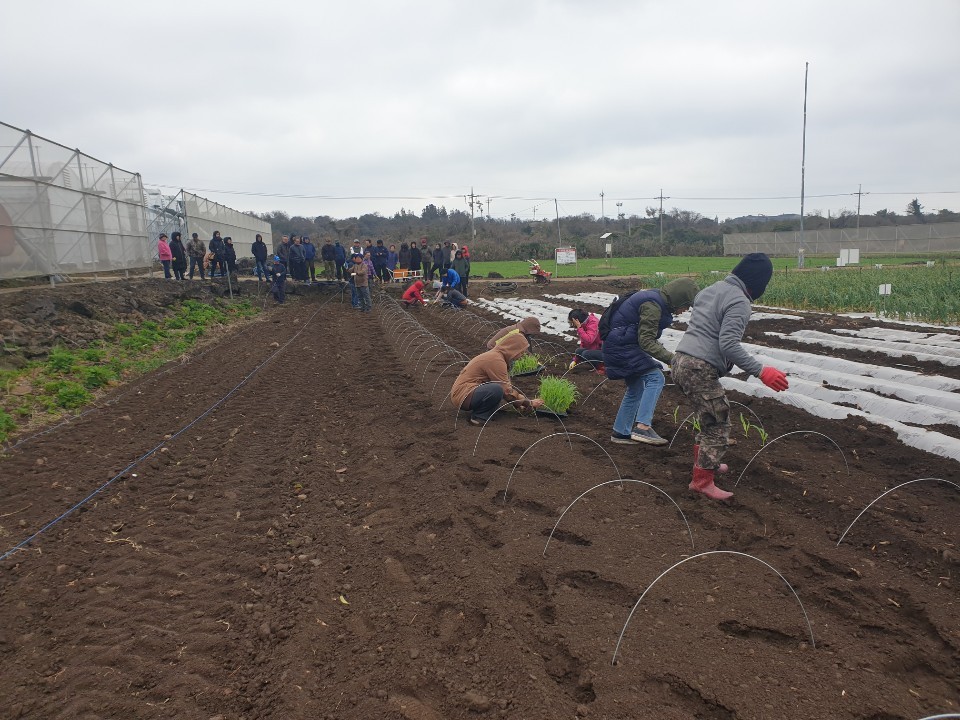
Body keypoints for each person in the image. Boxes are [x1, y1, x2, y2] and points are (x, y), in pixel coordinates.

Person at [672, 253, 790, 500]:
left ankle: (708, 462)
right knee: (718, 422)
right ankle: (702, 481)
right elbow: (728, 344)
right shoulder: (739, 301)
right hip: (698, 367)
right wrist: (760, 371)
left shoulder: (711, 289)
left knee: (707, 416)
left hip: (681, 360)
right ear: (758, 282)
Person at [604, 278, 698, 447]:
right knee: (656, 377)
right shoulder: (653, 305)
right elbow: (646, 341)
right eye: (686, 305)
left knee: (636, 387)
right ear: (679, 299)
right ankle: (643, 427)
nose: (685, 310)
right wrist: (673, 359)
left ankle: (621, 431)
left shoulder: (654, 299)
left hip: (619, 345)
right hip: (622, 347)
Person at [451, 333, 544, 425]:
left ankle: (481, 411)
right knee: (496, 389)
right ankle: (478, 418)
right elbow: (507, 391)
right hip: (464, 395)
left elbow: (506, 386)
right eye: (521, 352)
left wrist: (520, 402)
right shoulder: (496, 360)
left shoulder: (497, 356)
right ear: (512, 349)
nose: (521, 355)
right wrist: (528, 403)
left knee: (497, 388)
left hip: (466, 393)